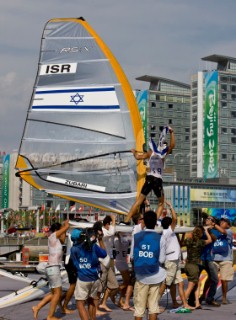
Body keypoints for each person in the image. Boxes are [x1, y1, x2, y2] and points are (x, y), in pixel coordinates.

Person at [125, 126, 175, 223]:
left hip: (149, 178)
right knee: (161, 203)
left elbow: (138, 157)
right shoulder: (163, 154)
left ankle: (126, 220)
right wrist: (172, 132)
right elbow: (172, 145)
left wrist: (134, 152)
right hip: (157, 180)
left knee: (139, 201)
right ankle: (153, 222)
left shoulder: (150, 152)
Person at [131, 210, 166, 320]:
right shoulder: (161, 238)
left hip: (141, 275)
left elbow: (132, 257)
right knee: (153, 307)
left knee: (139, 309)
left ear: (144, 222)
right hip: (155, 275)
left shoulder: (136, 237)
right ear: (156, 222)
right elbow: (162, 259)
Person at [158, 201, 192, 310]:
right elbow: (175, 219)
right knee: (166, 283)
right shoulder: (167, 231)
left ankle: (181, 303)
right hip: (171, 261)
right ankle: (154, 302)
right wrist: (171, 207)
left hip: (175, 260)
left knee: (179, 283)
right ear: (170, 224)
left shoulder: (168, 232)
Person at [32, 220, 69, 320]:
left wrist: (64, 228)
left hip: (52, 268)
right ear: (57, 230)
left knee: (54, 293)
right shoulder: (52, 236)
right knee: (57, 293)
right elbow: (65, 229)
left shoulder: (56, 240)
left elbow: (63, 238)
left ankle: (37, 307)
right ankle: (50, 316)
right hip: (53, 268)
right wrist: (66, 225)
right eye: (60, 230)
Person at [70, 227, 109, 320]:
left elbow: (74, 263)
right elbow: (104, 254)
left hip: (83, 278)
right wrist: (100, 240)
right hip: (95, 278)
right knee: (91, 301)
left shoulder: (74, 249)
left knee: (80, 303)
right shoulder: (94, 246)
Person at [184, 225, 212, 309]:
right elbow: (210, 240)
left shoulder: (188, 241)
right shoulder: (200, 242)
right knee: (190, 287)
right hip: (194, 266)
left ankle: (197, 303)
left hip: (187, 265)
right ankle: (184, 304)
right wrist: (206, 231)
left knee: (198, 283)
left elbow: (181, 242)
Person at [98, 215, 119, 312]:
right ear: (107, 224)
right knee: (101, 285)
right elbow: (111, 232)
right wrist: (113, 219)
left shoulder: (108, 231)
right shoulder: (102, 231)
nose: (112, 226)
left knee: (114, 284)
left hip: (109, 259)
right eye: (110, 224)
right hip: (102, 261)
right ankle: (96, 305)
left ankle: (103, 303)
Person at [198, 215, 221, 307]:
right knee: (195, 279)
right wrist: (204, 229)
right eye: (206, 219)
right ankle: (193, 299)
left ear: (213, 222)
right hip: (199, 258)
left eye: (209, 219)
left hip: (208, 258)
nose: (207, 220)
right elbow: (196, 237)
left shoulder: (214, 231)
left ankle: (209, 298)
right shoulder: (200, 229)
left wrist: (209, 230)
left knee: (214, 279)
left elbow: (213, 239)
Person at [212, 217, 234, 304]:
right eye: (221, 221)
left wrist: (214, 224)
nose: (221, 222)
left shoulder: (229, 231)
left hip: (226, 259)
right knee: (211, 279)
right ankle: (207, 296)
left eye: (224, 222)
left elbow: (223, 231)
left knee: (224, 280)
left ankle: (224, 296)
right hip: (214, 258)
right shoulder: (216, 231)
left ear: (228, 224)